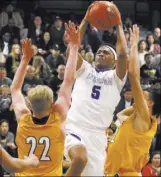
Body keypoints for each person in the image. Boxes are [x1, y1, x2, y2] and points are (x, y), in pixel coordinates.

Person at [64, 2, 128, 176]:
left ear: (114, 62)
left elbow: (123, 54)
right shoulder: (85, 69)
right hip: (74, 127)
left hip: (98, 135)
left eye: (106, 52)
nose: (101, 53)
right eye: (99, 51)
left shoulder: (116, 79)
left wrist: (119, 24)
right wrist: (86, 19)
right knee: (79, 159)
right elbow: (73, 49)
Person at [10, 21, 80, 176]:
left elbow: (14, 89)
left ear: (29, 104)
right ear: (51, 103)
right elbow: (68, 80)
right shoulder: (58, 116)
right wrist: (74, 46)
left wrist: (25, 59)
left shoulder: (22, 117)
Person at [104, 25, 157, 177]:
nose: (137, 97)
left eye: (142, 96)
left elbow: (134, 75)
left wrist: (133, 44)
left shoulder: (144, 116)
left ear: (150, 103)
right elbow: (120, 115)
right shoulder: (138, 117)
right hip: (113, 170)